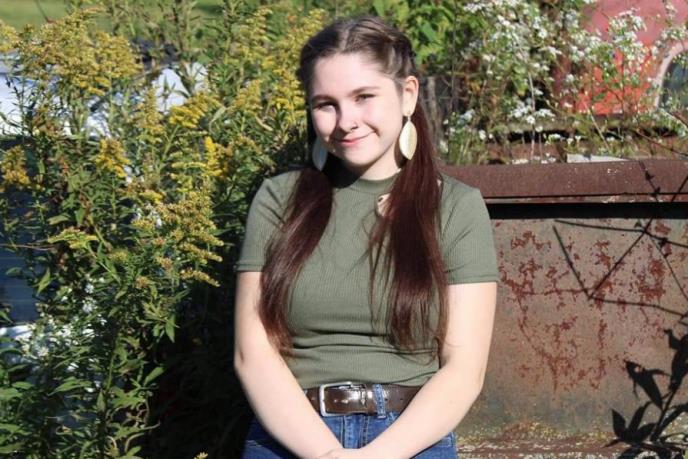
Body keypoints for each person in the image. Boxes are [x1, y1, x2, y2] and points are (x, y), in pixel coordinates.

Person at [234, 15, 498, 459]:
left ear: (407, 94)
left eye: (363, 97)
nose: (346, 121)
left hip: (411, 439)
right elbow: (253, 355)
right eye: (326, 104)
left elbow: (463, 371)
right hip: (290, 436)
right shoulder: (279, 201)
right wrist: (328, 455)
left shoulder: (455, 208)